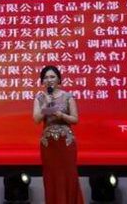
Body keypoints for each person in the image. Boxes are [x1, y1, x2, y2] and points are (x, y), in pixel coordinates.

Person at [33, 65, 84, 204]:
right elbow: (36, 119)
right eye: (46, 78)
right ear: (42, 81)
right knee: (51, 177)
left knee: (69, 176)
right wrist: (47, 107)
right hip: (49, 144)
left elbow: (75, 119)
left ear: (59, 79)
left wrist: (61, 115)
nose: (49, 80)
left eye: (52, 77)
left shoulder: (68, 97)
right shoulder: (40, 98)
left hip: (66, 142)